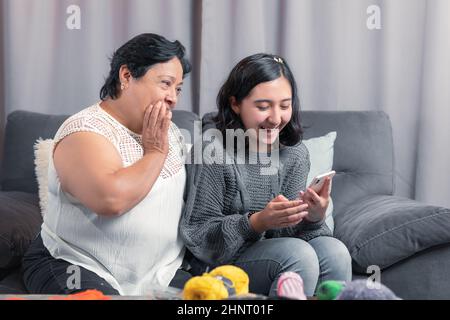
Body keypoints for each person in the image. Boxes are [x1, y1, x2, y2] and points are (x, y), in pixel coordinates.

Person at [22, 33, 192, 295]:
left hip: (161, 270)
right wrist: (155, 152)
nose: (173, 98)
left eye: (178, 88)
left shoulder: (167, 130)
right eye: (165, 84)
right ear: (126, 76)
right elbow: (111, 201)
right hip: (79, 264)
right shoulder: (84, 131)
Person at [180, 53, 352, 297]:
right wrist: (256, 222)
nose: (275, 118)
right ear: (235, 103)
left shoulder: (294, 154)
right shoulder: (213, 150)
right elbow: (199, 236)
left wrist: (313, 216)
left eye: (284, 105)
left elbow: (287, 234)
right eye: (263, 107)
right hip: (219, 265)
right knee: (297, 255)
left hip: (276, 253)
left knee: (334, 251)